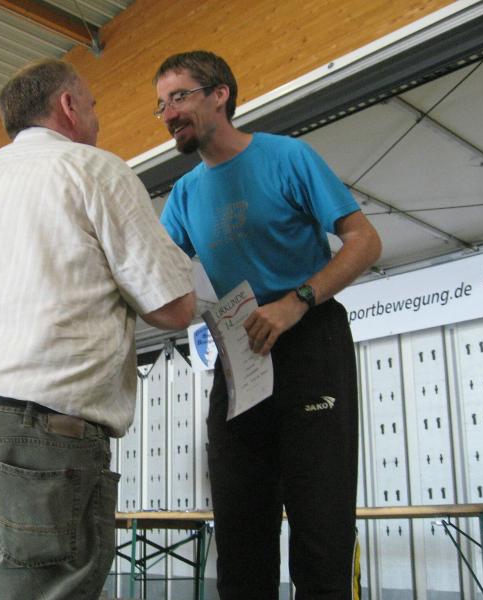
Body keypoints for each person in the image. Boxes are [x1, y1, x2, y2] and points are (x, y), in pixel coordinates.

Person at [0, 58, 195, 600]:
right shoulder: (93, 169)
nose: (96, 119)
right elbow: (173, 308)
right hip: (35, 434)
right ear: (68, 105)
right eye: (93, 106)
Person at [153, 51, 382, 599]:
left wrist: (298, 301)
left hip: (310, 337)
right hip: (242, 353)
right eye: (160, 105)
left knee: (321, 530)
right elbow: (156, 277)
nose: (168, 113)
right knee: (239, 538)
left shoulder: (287, 157)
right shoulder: (185, 194)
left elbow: (365, 241)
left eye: (180, 96)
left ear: (220, 94)